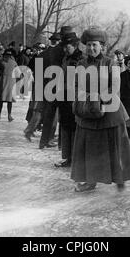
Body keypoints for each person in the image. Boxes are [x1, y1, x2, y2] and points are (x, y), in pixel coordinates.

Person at [71, 27, 130, 192]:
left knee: (116, 146)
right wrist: (85, 99)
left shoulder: (110, 62)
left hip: (110, 111)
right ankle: (90, 181)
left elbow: (115, 86)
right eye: (88, 45)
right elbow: (76, 85)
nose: (91, 48)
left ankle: (120, 178)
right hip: (88, 110)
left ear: (101, 46)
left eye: (95, 45)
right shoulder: (81, 63)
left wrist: (99, 99)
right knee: (88, 147)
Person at [55, 32, 84, 168]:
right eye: (64, 47)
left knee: (75, 127)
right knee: (66, 126)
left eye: (68, 47)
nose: (65, 49)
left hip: (75, 97)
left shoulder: (81, 59)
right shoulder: (65, 58)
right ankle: (68, 157)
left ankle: (76, 158)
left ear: (75, 45)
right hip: (64, 96)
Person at [0, 49, 21, 122]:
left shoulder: (1, 62)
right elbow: (20, 75)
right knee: (9, 100)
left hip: (2, 82)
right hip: (11, 82)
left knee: (1, 100)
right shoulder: (14, 63)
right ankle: (9, 115)